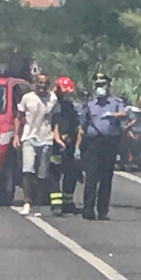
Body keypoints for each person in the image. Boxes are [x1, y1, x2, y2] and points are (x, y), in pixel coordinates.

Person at [79, 73, 126, 221]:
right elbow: (82, 125)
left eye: (103, 85)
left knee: (106, 178)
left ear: (108, 86)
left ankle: (103, 209)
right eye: (98, 85)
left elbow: (124, 114)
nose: (100, 88)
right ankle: (88, 208)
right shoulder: (90, 105)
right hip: (93, 143)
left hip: (109, 143)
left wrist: (113, 115)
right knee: (91, 176)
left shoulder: (116, 103)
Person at [14, 73, 59, 216]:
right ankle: (26, 201)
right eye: (40, 83)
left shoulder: (52, 99)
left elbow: (55, 119)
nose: (42, 86)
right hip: (29, 138)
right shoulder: (27, 98)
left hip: (45, 139)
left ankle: (38, 205)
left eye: (45, 83)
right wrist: (16, 135)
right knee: (28, 170)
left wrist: (56, 135)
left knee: (42, 174)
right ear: (34, 83)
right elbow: (19, 117)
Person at [50, 76, 82, 215]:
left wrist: (75, 143)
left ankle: (68, 202)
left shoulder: (69, 107)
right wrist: (57, 136)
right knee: (54, 174)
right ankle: (56, 204)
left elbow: (76, 125)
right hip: (54, 145)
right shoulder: (50, 104)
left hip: (69, 145)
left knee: (71, 174)